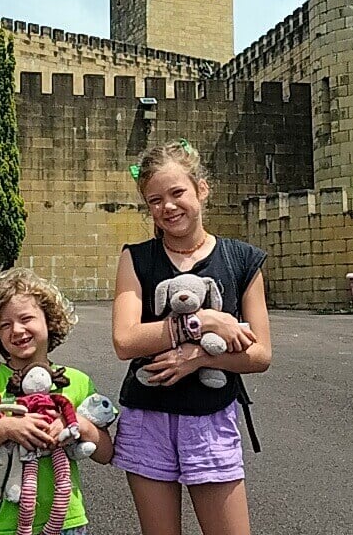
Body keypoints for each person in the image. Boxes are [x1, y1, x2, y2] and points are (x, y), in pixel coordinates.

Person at [111, 139, 273, 535]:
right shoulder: (137, 258)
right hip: (148, 416)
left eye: (177, 193)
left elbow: (261, 354)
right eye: (154, 200)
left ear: (202, 189)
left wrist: (198, 358)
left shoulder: (242, 260)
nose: (167, 206)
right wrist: (201, 323)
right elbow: (125, 341)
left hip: (211, 416)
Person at [0, 268, 114, 535]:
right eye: (5, 324)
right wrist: (4, 429)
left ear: (49, 321)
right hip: (3, 525)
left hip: (67, 522)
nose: (17, 330)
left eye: (26, 318)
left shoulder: (76, 381)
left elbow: (106, 452)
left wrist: (78, 424)